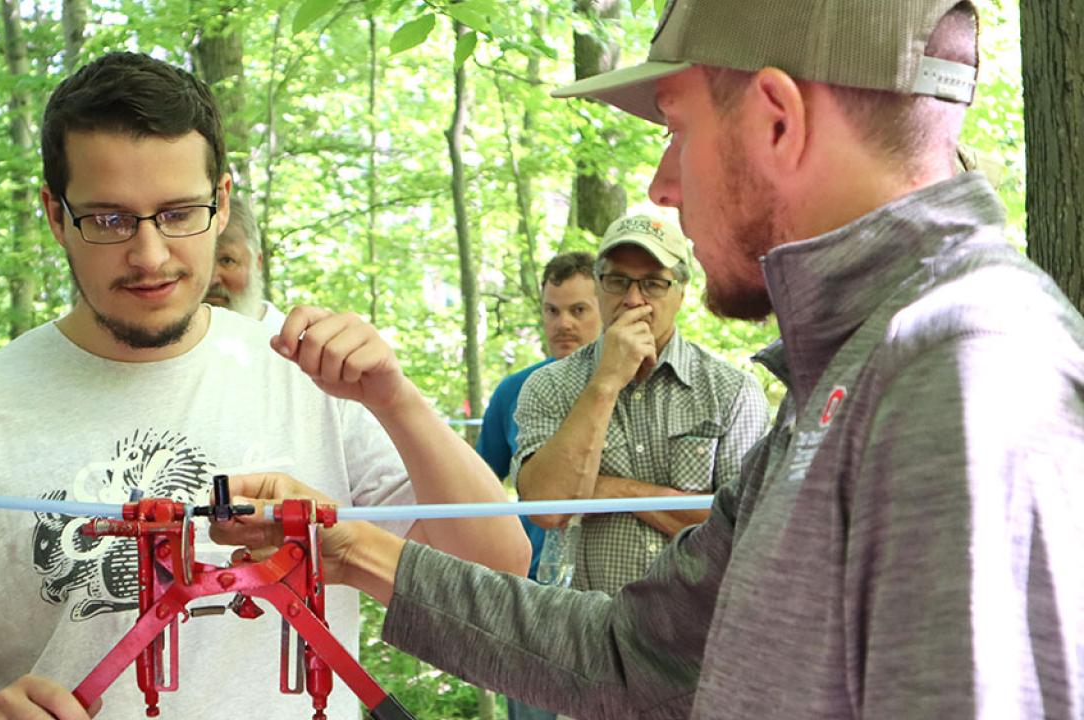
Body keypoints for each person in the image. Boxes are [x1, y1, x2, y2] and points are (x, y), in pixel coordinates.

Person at [214, 2, 1084, 718]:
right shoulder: (846, 373)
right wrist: (346, 549)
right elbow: (634, 658)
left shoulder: (965, 374)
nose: (664, 182)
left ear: (778, 121)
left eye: (676, 127)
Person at [0, 52, 528, 720]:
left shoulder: (314, 379)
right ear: (55, 214)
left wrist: (396, 400)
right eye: (110, 220)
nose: (150, 256)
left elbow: (500, 573)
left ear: (223, 201)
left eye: (180, 213)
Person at [515, 215, 768, 596]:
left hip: (693, 635)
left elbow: (747, 529)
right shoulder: (549, 385)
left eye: (653, 283)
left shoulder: (731, 392)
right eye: (618, 281)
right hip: (586, 631)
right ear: (600, 289)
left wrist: (610, 491)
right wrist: (606, 382)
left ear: (680, 293)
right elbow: (548, 508)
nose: (634, 299)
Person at [475, 251, 602, 720]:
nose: (563, 323)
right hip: (531, 604)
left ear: (605, 309)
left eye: (578, 310)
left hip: (614, 601)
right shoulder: (515, 392)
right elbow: (475, 489)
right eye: (552, 310)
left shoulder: (633, 388)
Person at [203, 193, 286, 332]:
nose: (211, 279)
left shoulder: (292, 344)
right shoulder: (168, 347)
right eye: (203, 261)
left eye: (227, 261)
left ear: (258, 263)